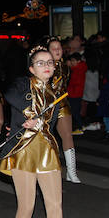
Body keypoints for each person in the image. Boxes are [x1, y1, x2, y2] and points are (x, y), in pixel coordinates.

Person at [0, 46, 65, 218]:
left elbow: (53, 122)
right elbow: (9, 95)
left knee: (54, 204)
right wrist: (29, 115)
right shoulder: (22, 84)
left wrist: (40, 123)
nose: (47, 66)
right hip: (24, 151)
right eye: (40, 63)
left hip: (47, 150)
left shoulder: (56, 93)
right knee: (26, 205)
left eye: (50, 62)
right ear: (31, 68)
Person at [45, 37, 80, 183]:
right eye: (53, 48)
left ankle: (72, 171)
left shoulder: (66, 67)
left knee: (67, 136)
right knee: (46, 138)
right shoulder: (43, 66)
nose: (57, 50)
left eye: (59, 47)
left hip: (62, 104)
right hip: (46, 105)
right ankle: (45, 168)